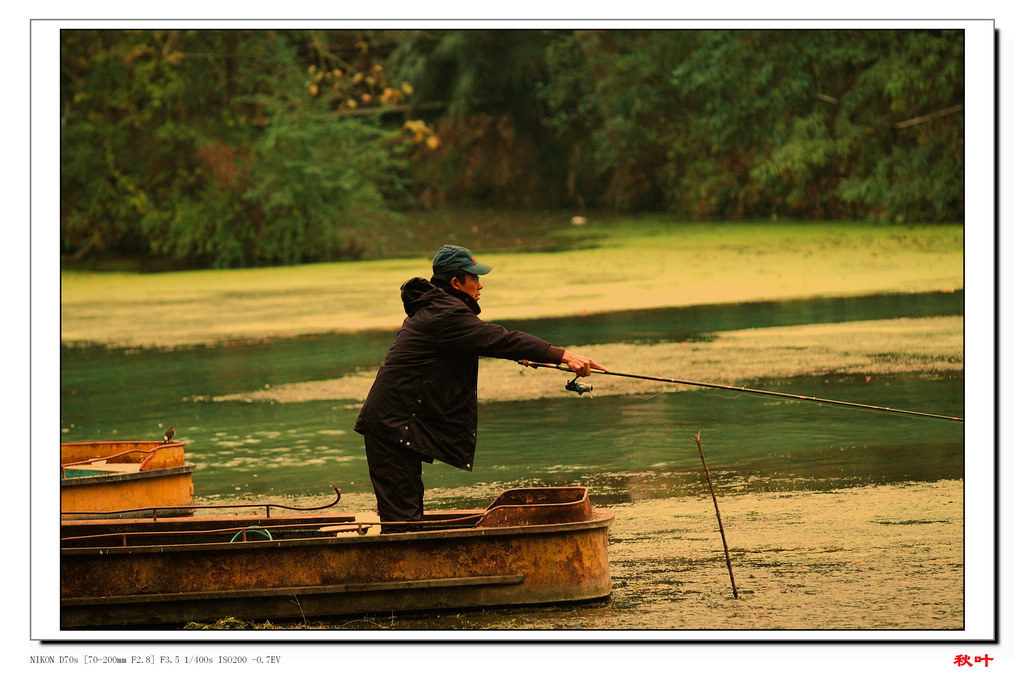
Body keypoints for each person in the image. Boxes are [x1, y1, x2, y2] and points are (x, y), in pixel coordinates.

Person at [354, 244, 604, 533]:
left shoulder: (438, 309)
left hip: (397, 424)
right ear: (456, 283)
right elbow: (498, 338)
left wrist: (527, 355)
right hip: (392, 426)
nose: (480, 284)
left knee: (407, 514)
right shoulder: (445, 314)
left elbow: (481, 342)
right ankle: (398, 570)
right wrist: (563, 355)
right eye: (474, 278)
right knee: (403, 523)